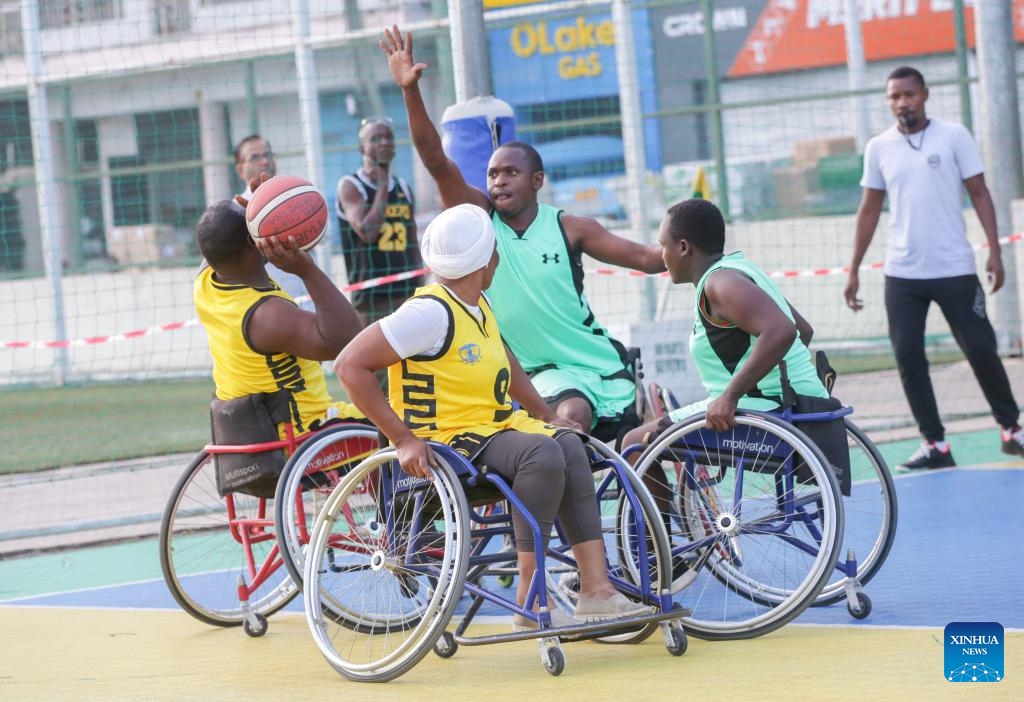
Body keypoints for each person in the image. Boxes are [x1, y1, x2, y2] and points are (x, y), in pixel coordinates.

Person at [334, 203, 650, 629]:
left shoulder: (475, 305)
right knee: (539, 454)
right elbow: (349, 365)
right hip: (445, 442)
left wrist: (544, 412)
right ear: (488, 259)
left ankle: (597, 590)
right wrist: (403, 438)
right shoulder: (430, 312)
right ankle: (528, 595)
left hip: (488, 430)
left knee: (569, 444)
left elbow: (505, 359)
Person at [380, 26, 666, 448]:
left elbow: (646, 258)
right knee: (572, 417)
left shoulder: (571, 228)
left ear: (537, 180)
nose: (497, 181)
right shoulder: (480, 220)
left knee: (641, 450)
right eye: (492, 173)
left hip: (598, 361)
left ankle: (646, 478)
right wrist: (410, 91)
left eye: (510, 172)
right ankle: (574, 511)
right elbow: (437, 161)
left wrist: (694, 246)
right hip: (536, 372)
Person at [843, 66, 1023, 469]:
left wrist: (995, 251)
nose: (902, 102)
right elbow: (869, 210)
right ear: (889, 102)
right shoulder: (879, 148)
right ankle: (935, 445)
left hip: (955, 268)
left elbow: (979, 192)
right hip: (903, 275)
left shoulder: (954, 135)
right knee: (908, 356)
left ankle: (1011, 430)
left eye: (909, 94)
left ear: (924, 94)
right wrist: (853, 268)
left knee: (981, 348)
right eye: (894, 96)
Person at [622, 198, 830, 446]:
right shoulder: (740, 269)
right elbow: (803, 330)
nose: (662, 256)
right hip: (800, 399)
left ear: (684, 247)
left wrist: (731, 396)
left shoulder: (720, 283)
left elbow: (782, 331)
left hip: (772, 408)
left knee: (633, 444)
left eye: (663, 246)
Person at [194, 199, 365, 447]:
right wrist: (307, 270)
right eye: (255, 225)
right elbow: (348, 339)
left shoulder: (204, 285)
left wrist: (261, 203)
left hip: (250, 437)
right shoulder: (268, 314)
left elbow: (216, 235)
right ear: (252, 243)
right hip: (306, 435)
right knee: (407, 420)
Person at [336, 117, 425, 327]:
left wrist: (420, 287)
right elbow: (368, 231)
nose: (384, 142)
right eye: (376, 138)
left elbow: (412, 242)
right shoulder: (351, 186)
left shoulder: (403, 187)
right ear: (362, 148)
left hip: (406, 293)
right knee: (375, 361)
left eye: (388, 137)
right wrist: (383, 186)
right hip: (371, 298)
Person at [233, 134, 311, 309]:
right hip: (269, 306)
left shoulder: (296, 194)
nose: (264, 161)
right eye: (255, 157)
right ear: (240, 170)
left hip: (307, 298)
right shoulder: (235, 211)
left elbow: (324, 235)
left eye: (267, 154)